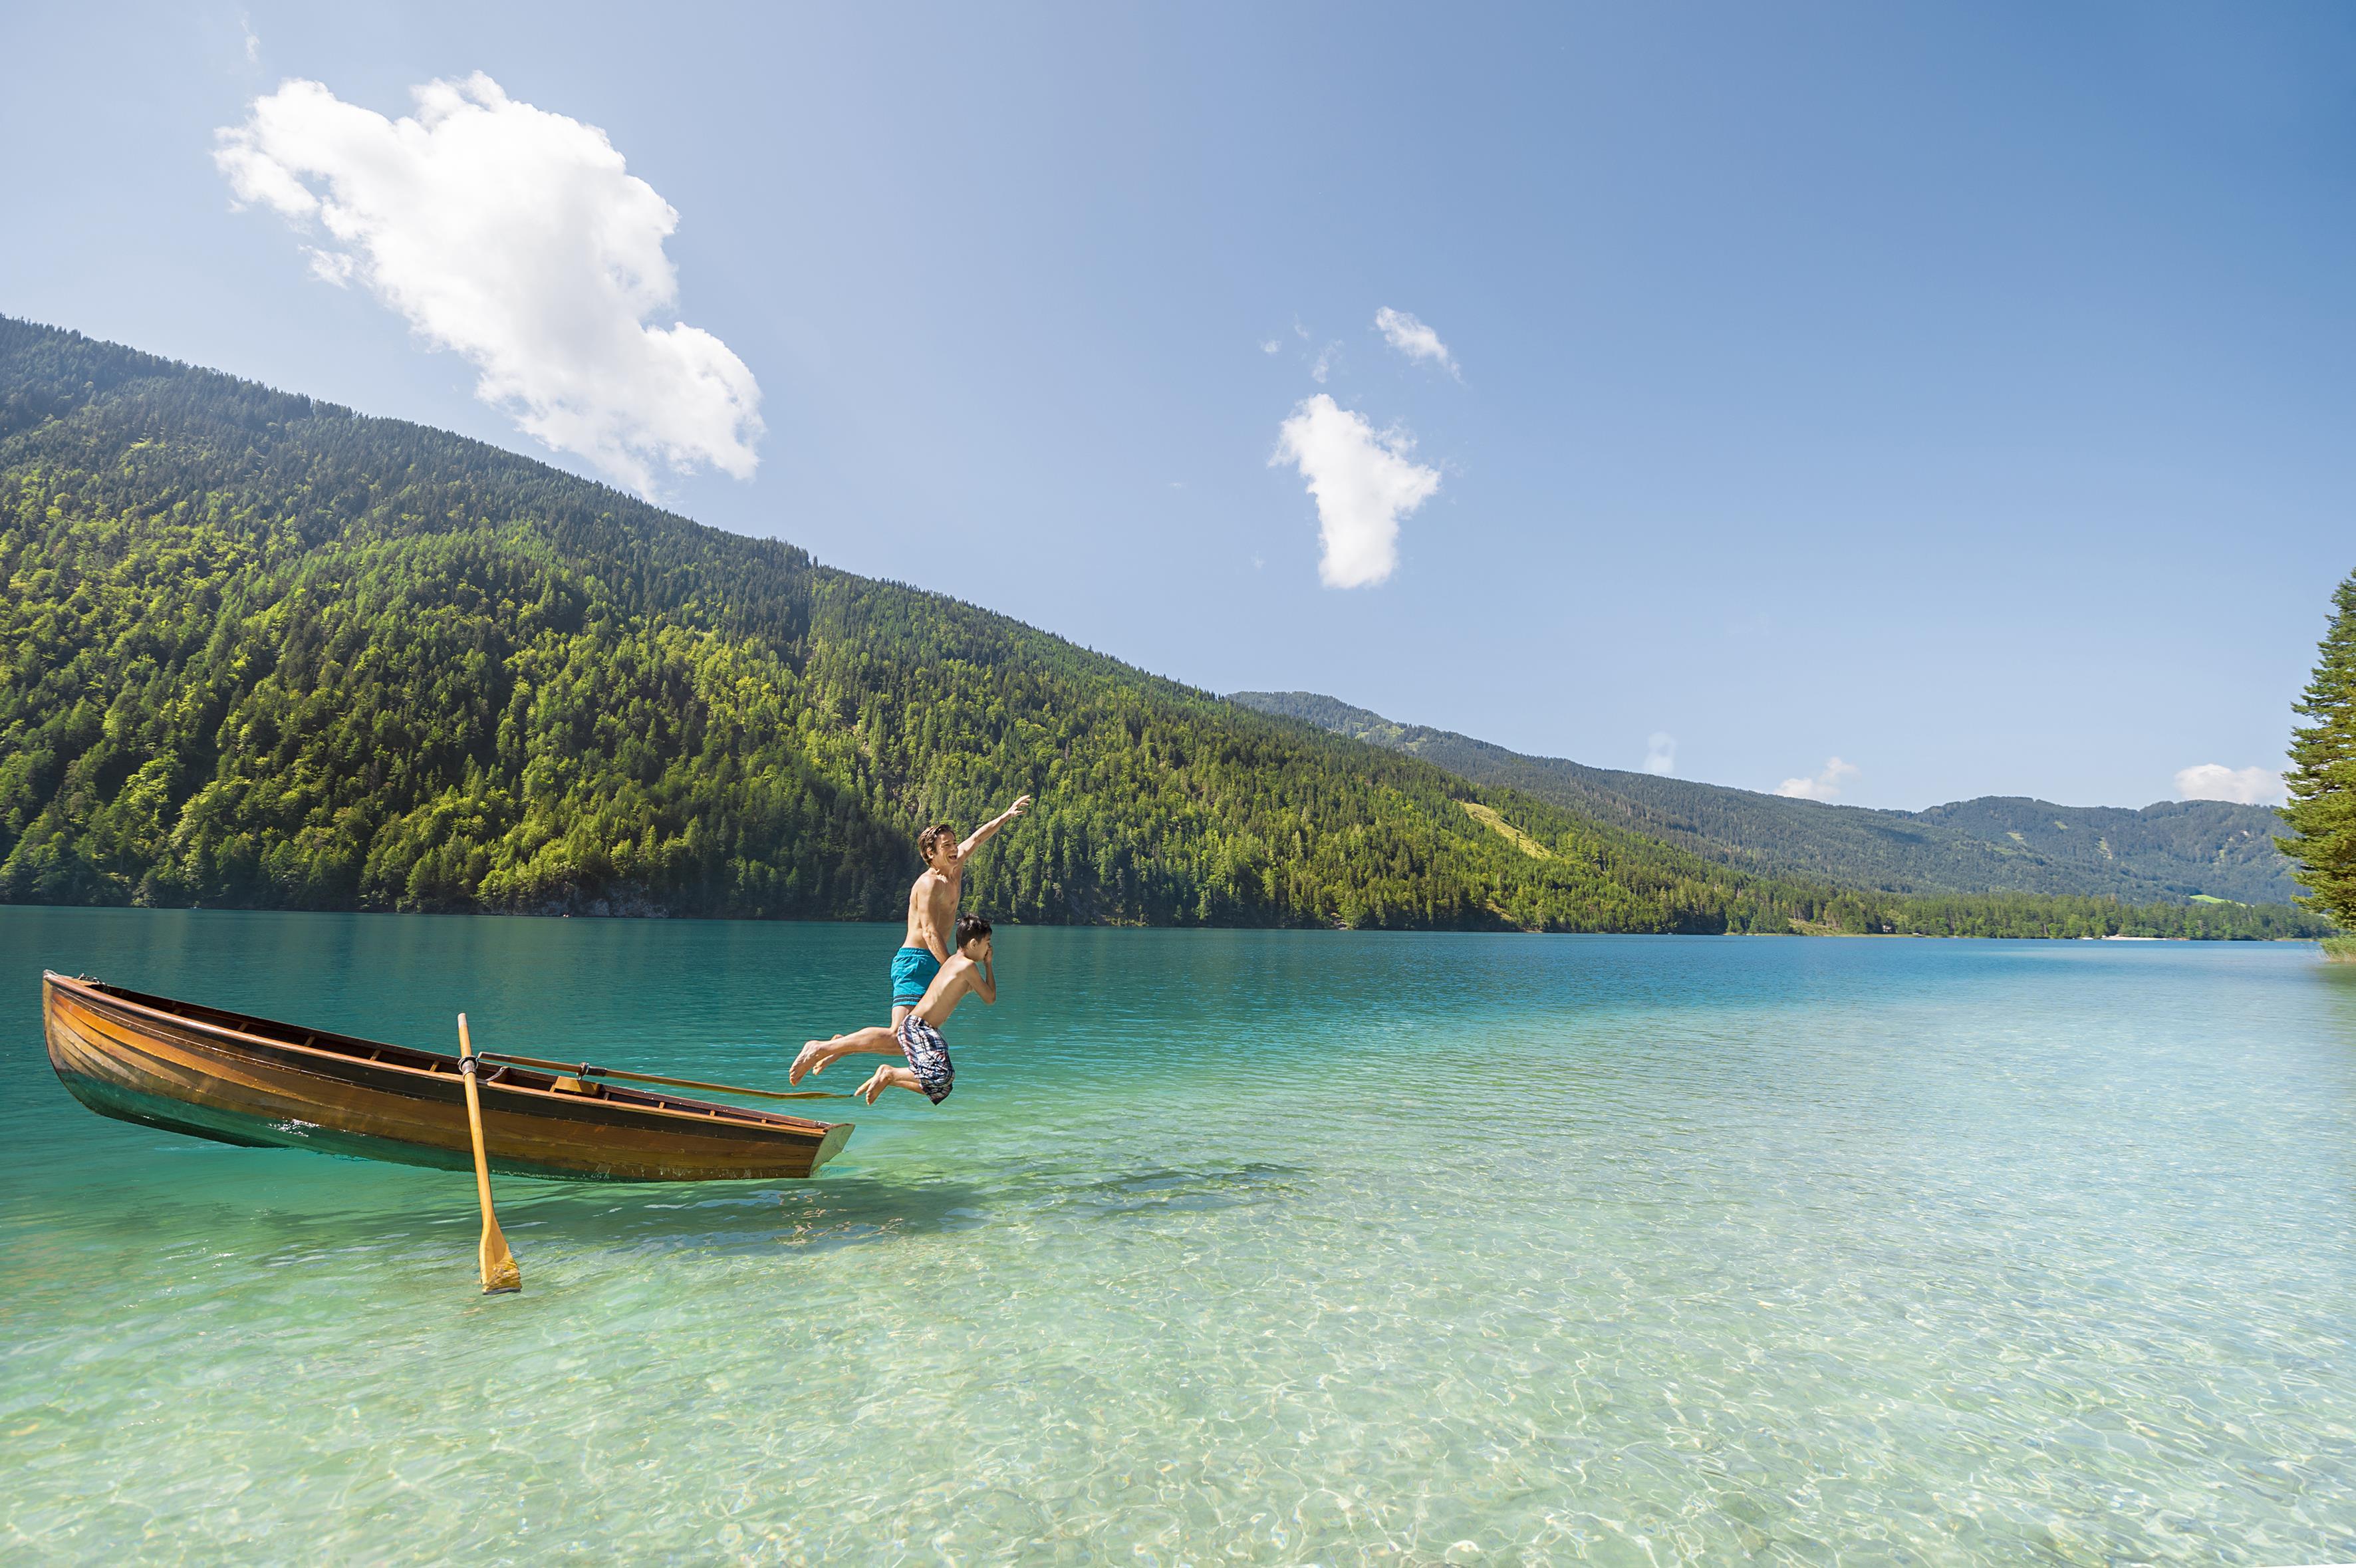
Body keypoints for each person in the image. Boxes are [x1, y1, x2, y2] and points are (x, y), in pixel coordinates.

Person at [791, 794, 1027, 1085]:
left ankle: (841, 1045)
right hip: (916, 961)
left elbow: (978, 838)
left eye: (954, 843)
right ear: (931, 853)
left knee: (908, 1041)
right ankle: (821, 1047)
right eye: (947, 846)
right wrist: (950, 969)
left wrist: (1006, 815)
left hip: (934, 962)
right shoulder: (928, 884)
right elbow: (929, 932)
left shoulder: (955, 866)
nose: (955, 848)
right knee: (899, 1036)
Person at [792, 914, 996, 1105]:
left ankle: (889, 1077)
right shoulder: (967, 966)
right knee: (940, 1075)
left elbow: (967, 989)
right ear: (973, 944)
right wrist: (988, 965)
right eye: (987, 943)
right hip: (920, 1027)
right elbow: (990, 998)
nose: (989, 948)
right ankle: (888, 1073)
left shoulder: (953, 963)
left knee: (942, 1088)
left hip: (926, 1028)